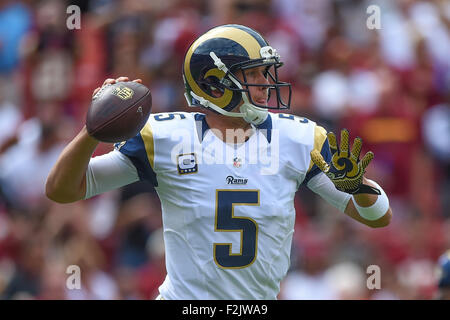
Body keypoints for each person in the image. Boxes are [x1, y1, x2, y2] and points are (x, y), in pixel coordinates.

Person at [45, 24, 392, 300]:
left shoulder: (300, 138)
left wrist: (359, 188)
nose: (265, 84)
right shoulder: (164, 138)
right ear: (214, 85)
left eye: (265, 72)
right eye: (253, 74)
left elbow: (377, 217)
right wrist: (93, 129)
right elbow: (63, 190)